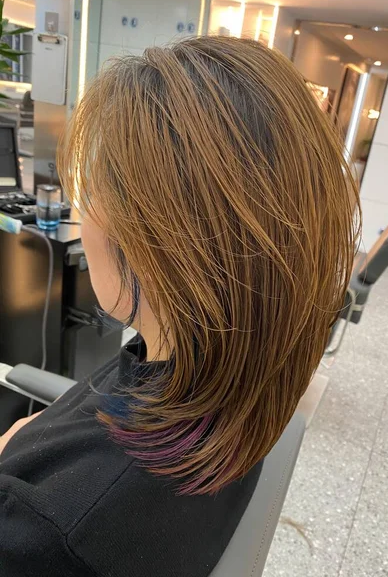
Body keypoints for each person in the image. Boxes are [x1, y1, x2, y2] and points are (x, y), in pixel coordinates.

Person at [0, 36, 359, 576]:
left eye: (95, 189)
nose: (83, 209)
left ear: (159, 241)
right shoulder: (222, 369)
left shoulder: (53, 534)